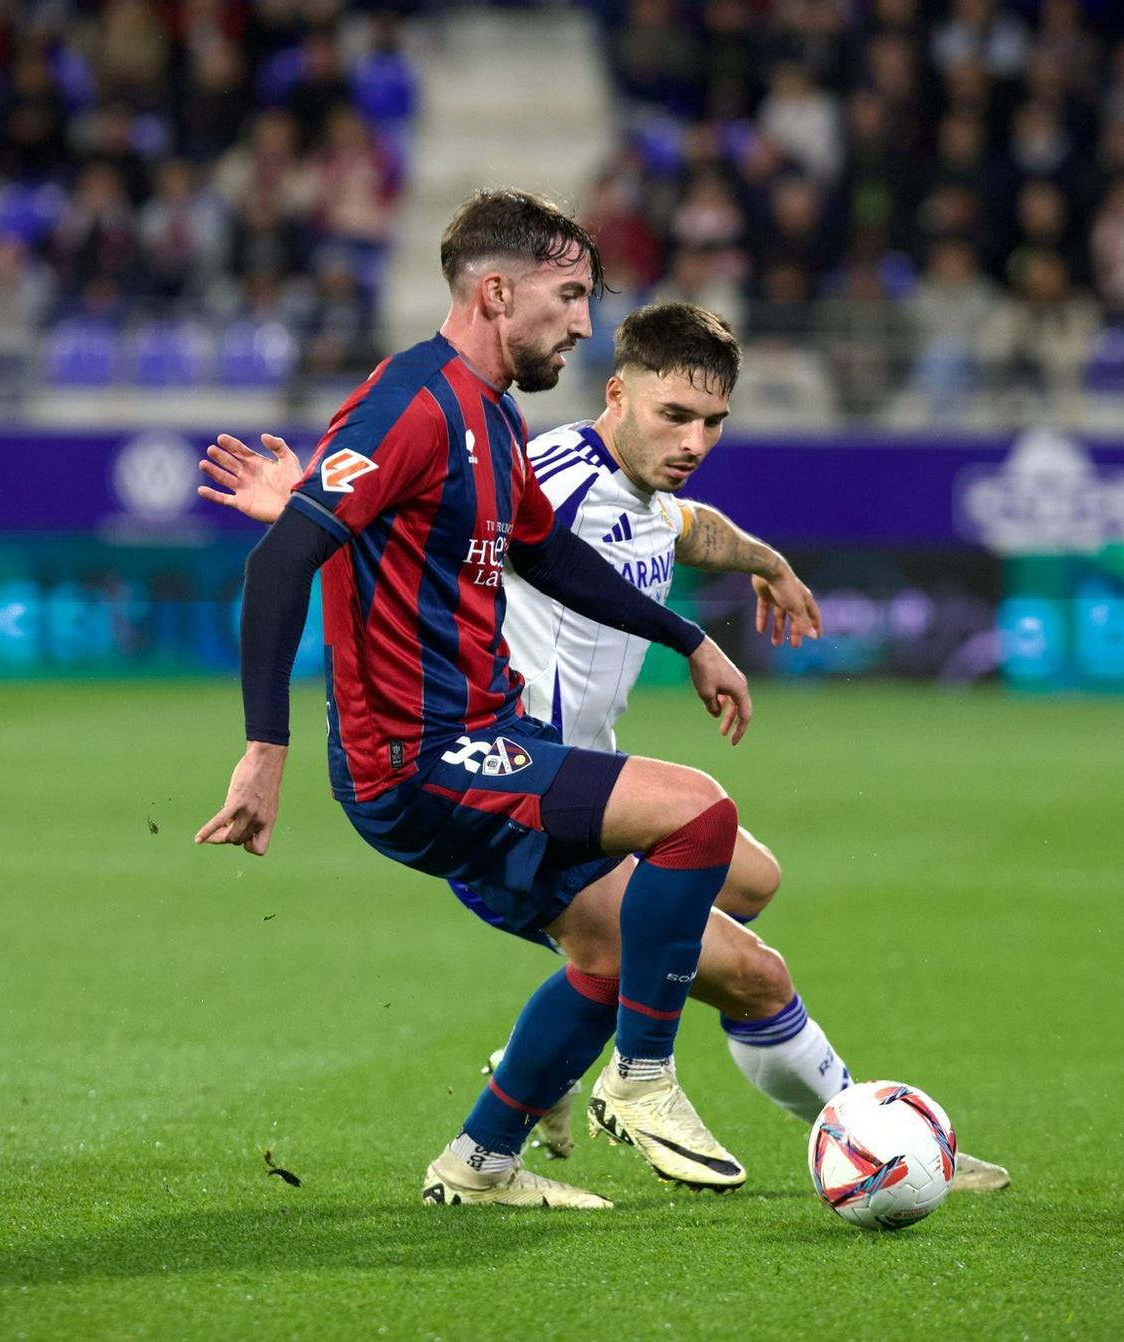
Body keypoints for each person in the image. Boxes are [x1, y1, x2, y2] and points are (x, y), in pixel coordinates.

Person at [196, 301, 1013, 1192]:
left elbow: (687, 527)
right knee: (746, 970)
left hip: (566, 784)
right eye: (674, 416)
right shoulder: (544, 470)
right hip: (501, 780)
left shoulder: (639, 491)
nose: (696, 440)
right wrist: (310, 506)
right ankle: (870, 1141)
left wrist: (766, 562)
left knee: (750, 882)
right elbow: (416, 522)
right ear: (616, 394)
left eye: (713, 424)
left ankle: (513, 1106)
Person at [196, 191, 757, 1210]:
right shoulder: (414, 403)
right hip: (417, 756)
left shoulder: (490, 411)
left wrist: (689, 639)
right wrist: (261, 749)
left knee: (610, 939)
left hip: (481, 734)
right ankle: (640, 1078)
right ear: (498, 292)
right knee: (698, 814)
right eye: (570, 295)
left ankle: (480, 1162)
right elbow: (283, 561)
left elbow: (545, 550)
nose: (585, 323)